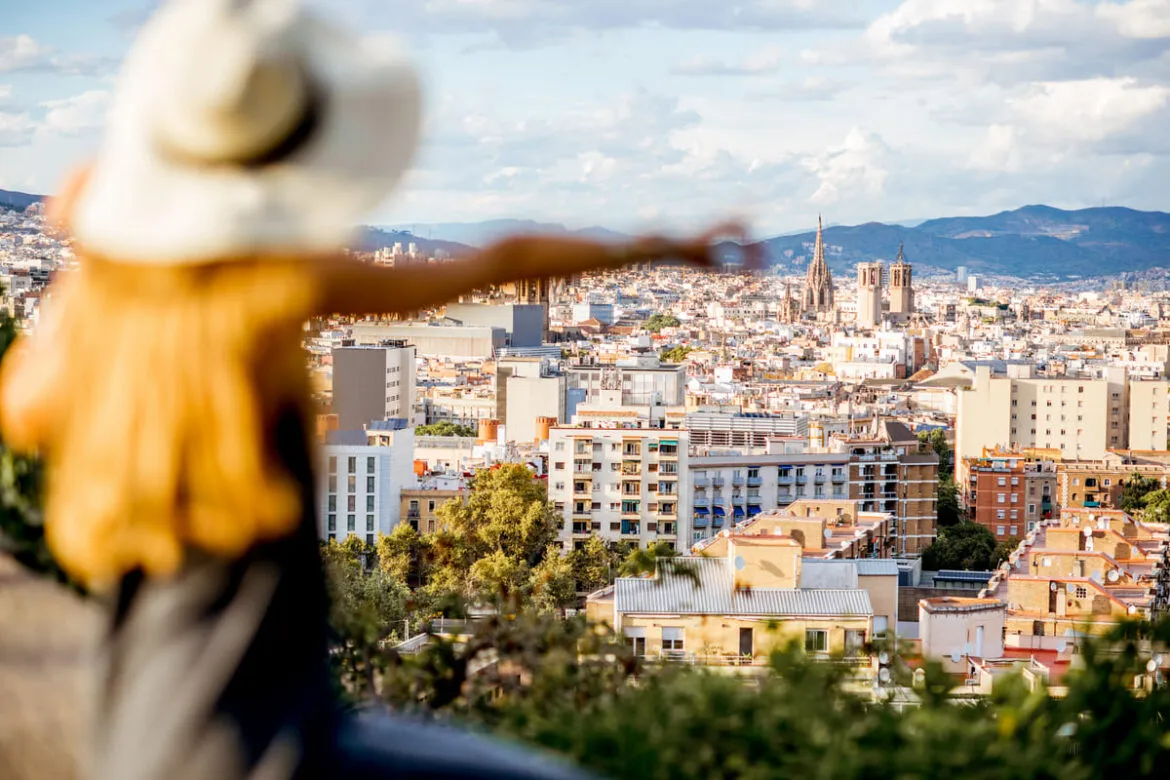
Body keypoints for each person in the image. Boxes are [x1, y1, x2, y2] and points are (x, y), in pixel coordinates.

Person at [0, 1, 753, 778]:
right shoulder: (269, 295)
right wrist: (661, 244)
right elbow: (494, 261)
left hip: (144, 737)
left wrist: (99, 249)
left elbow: (22, 409)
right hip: (258, 749)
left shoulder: (103, 317)